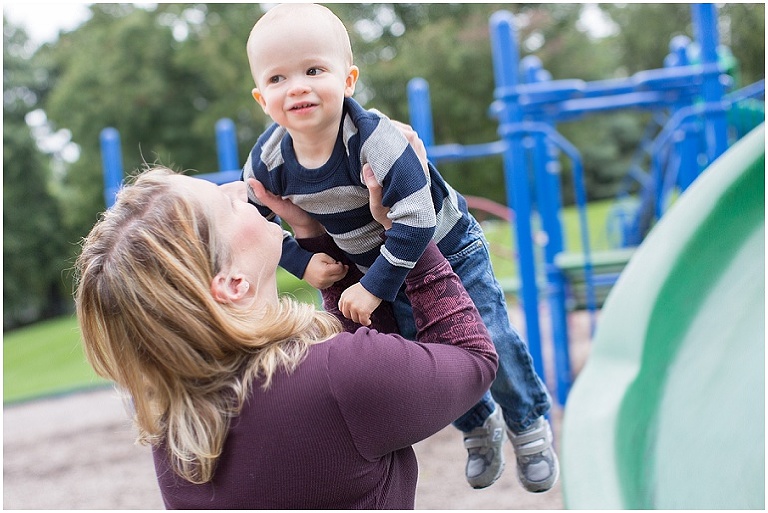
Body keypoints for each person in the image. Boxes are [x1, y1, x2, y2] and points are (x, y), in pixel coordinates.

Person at [243, 2, 558, 492]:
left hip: (444, 247)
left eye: (313, 70)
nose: (298, 86)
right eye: (279, 79)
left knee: (487, 334)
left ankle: (528, 421)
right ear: (262, 98)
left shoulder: (374, 138)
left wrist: (372, 289)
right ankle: (478, 425)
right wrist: (300, 262)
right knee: (436, 350)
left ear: (347, 80)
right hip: (378, 265)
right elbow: (255, 222)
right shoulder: (268, 162)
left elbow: (415, 220)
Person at [74, 160, 498, 508]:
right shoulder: (337, 377)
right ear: (233, 283)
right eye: (224, 205)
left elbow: (340, 396)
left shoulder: (176, 425)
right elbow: (473, 360)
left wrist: (315, 238)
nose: (238, 190)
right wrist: (411, 231)